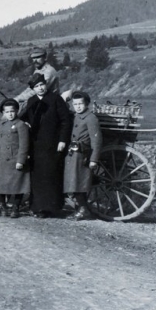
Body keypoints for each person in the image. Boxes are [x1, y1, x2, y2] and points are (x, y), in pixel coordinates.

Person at [20, 73, 71, 218]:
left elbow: (65, 121)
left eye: (42, 84)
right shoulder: (31, 101)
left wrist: (62, 140)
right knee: (37, 177)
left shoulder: (56, 99)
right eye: (36, 86)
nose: (40, 88)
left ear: (46, 84)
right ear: (33, 89)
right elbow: (22, 118)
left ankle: (51, 208)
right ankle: (38, 207)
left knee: (51, 175)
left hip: (53, 145)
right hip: (36, 145)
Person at [64, 91, 102, 220]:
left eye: (81, 103)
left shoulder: (91, 118)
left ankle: (83, 210)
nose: (78, 106)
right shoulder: (76, 116)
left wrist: (94, 159)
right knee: (73, 182)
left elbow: (96, 141)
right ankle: (81, 209)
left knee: (79, 183)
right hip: (72, 154)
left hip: (82, 155)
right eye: (75, 104)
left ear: (86, 104)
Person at [15, 48, 60, 114]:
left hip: (50, 101)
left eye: (38, 57)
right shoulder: (37, 70)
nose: (35, 60)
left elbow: (37, 91)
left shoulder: (49, 71)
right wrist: (17, 98)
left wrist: (19, 99)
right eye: (33, 58)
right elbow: (31, 88)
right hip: (40, 99)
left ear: (45, 58)